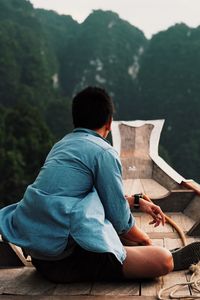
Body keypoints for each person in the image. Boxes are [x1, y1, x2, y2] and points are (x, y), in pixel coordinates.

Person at [0, 86, 199, 282]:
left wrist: (136, 201)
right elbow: (121, 221)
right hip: (66, 261)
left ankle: (134, 253)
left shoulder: (61, 145)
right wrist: (147, 242)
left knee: (114, 232)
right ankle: (165, 256)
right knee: (161, 260)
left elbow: (84, 198)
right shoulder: (104, 152)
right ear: (109, 122)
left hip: (40, 256)